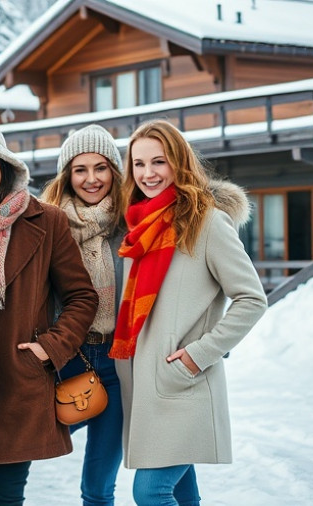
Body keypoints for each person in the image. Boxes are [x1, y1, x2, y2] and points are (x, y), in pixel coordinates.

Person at [0, 119, 98, 506]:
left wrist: (50, 347)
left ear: (4, 165)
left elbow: (81, 297)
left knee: (7, 495)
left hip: (20, 378)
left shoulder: (47, 220)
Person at [113, 120, 267, 505]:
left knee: (151, 492)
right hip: (146, 386)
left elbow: (251, 298)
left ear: (179, 163)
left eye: (159, 162)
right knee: (181, 492)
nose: (148, 174)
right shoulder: (139, 227)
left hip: (181, 382)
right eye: (138, 164)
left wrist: (197, 356)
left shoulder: (208, 223)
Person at [41, 124, 127, 506]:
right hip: (67, 360)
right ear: (67, 175)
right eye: (80, 169)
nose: (91, 179)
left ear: (115, 172)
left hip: (120, 362)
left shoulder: (132, 227)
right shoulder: (47, 226)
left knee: (97, 485)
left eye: (101, 167)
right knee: (20, 449)